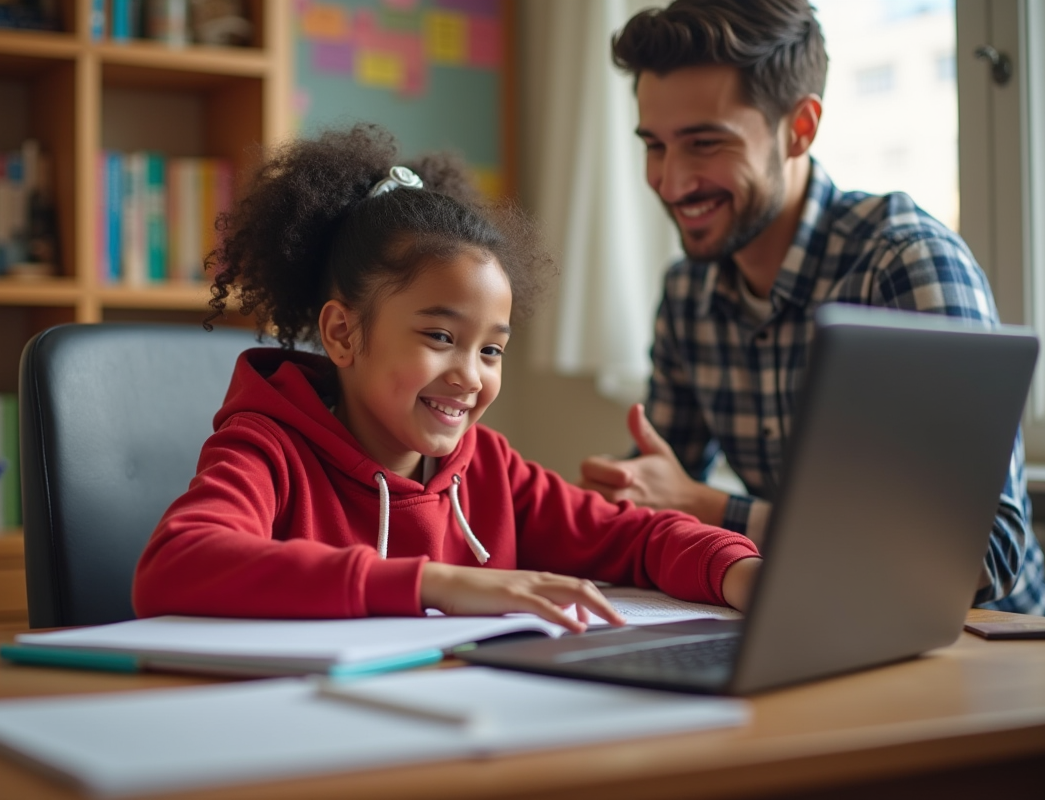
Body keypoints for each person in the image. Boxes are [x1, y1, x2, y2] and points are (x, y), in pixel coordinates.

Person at [133, 125, 762, 630]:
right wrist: (436, 582)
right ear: (343, 334)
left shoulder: (487, 467)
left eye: (491, 351)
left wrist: (738, 570)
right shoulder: (268, 450)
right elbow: (174, 564)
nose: (470, 376)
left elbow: (635, 537)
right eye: (441, 338)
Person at [578, 0, 1045, 615]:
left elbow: (979, 556)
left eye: (703, 143)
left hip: (981, 649)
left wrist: (713, 509)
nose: (671, 183)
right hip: (820, 624)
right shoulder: (689, 293)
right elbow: (661, 481)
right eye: (655, 146)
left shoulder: (906, 265)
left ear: (800, 128)